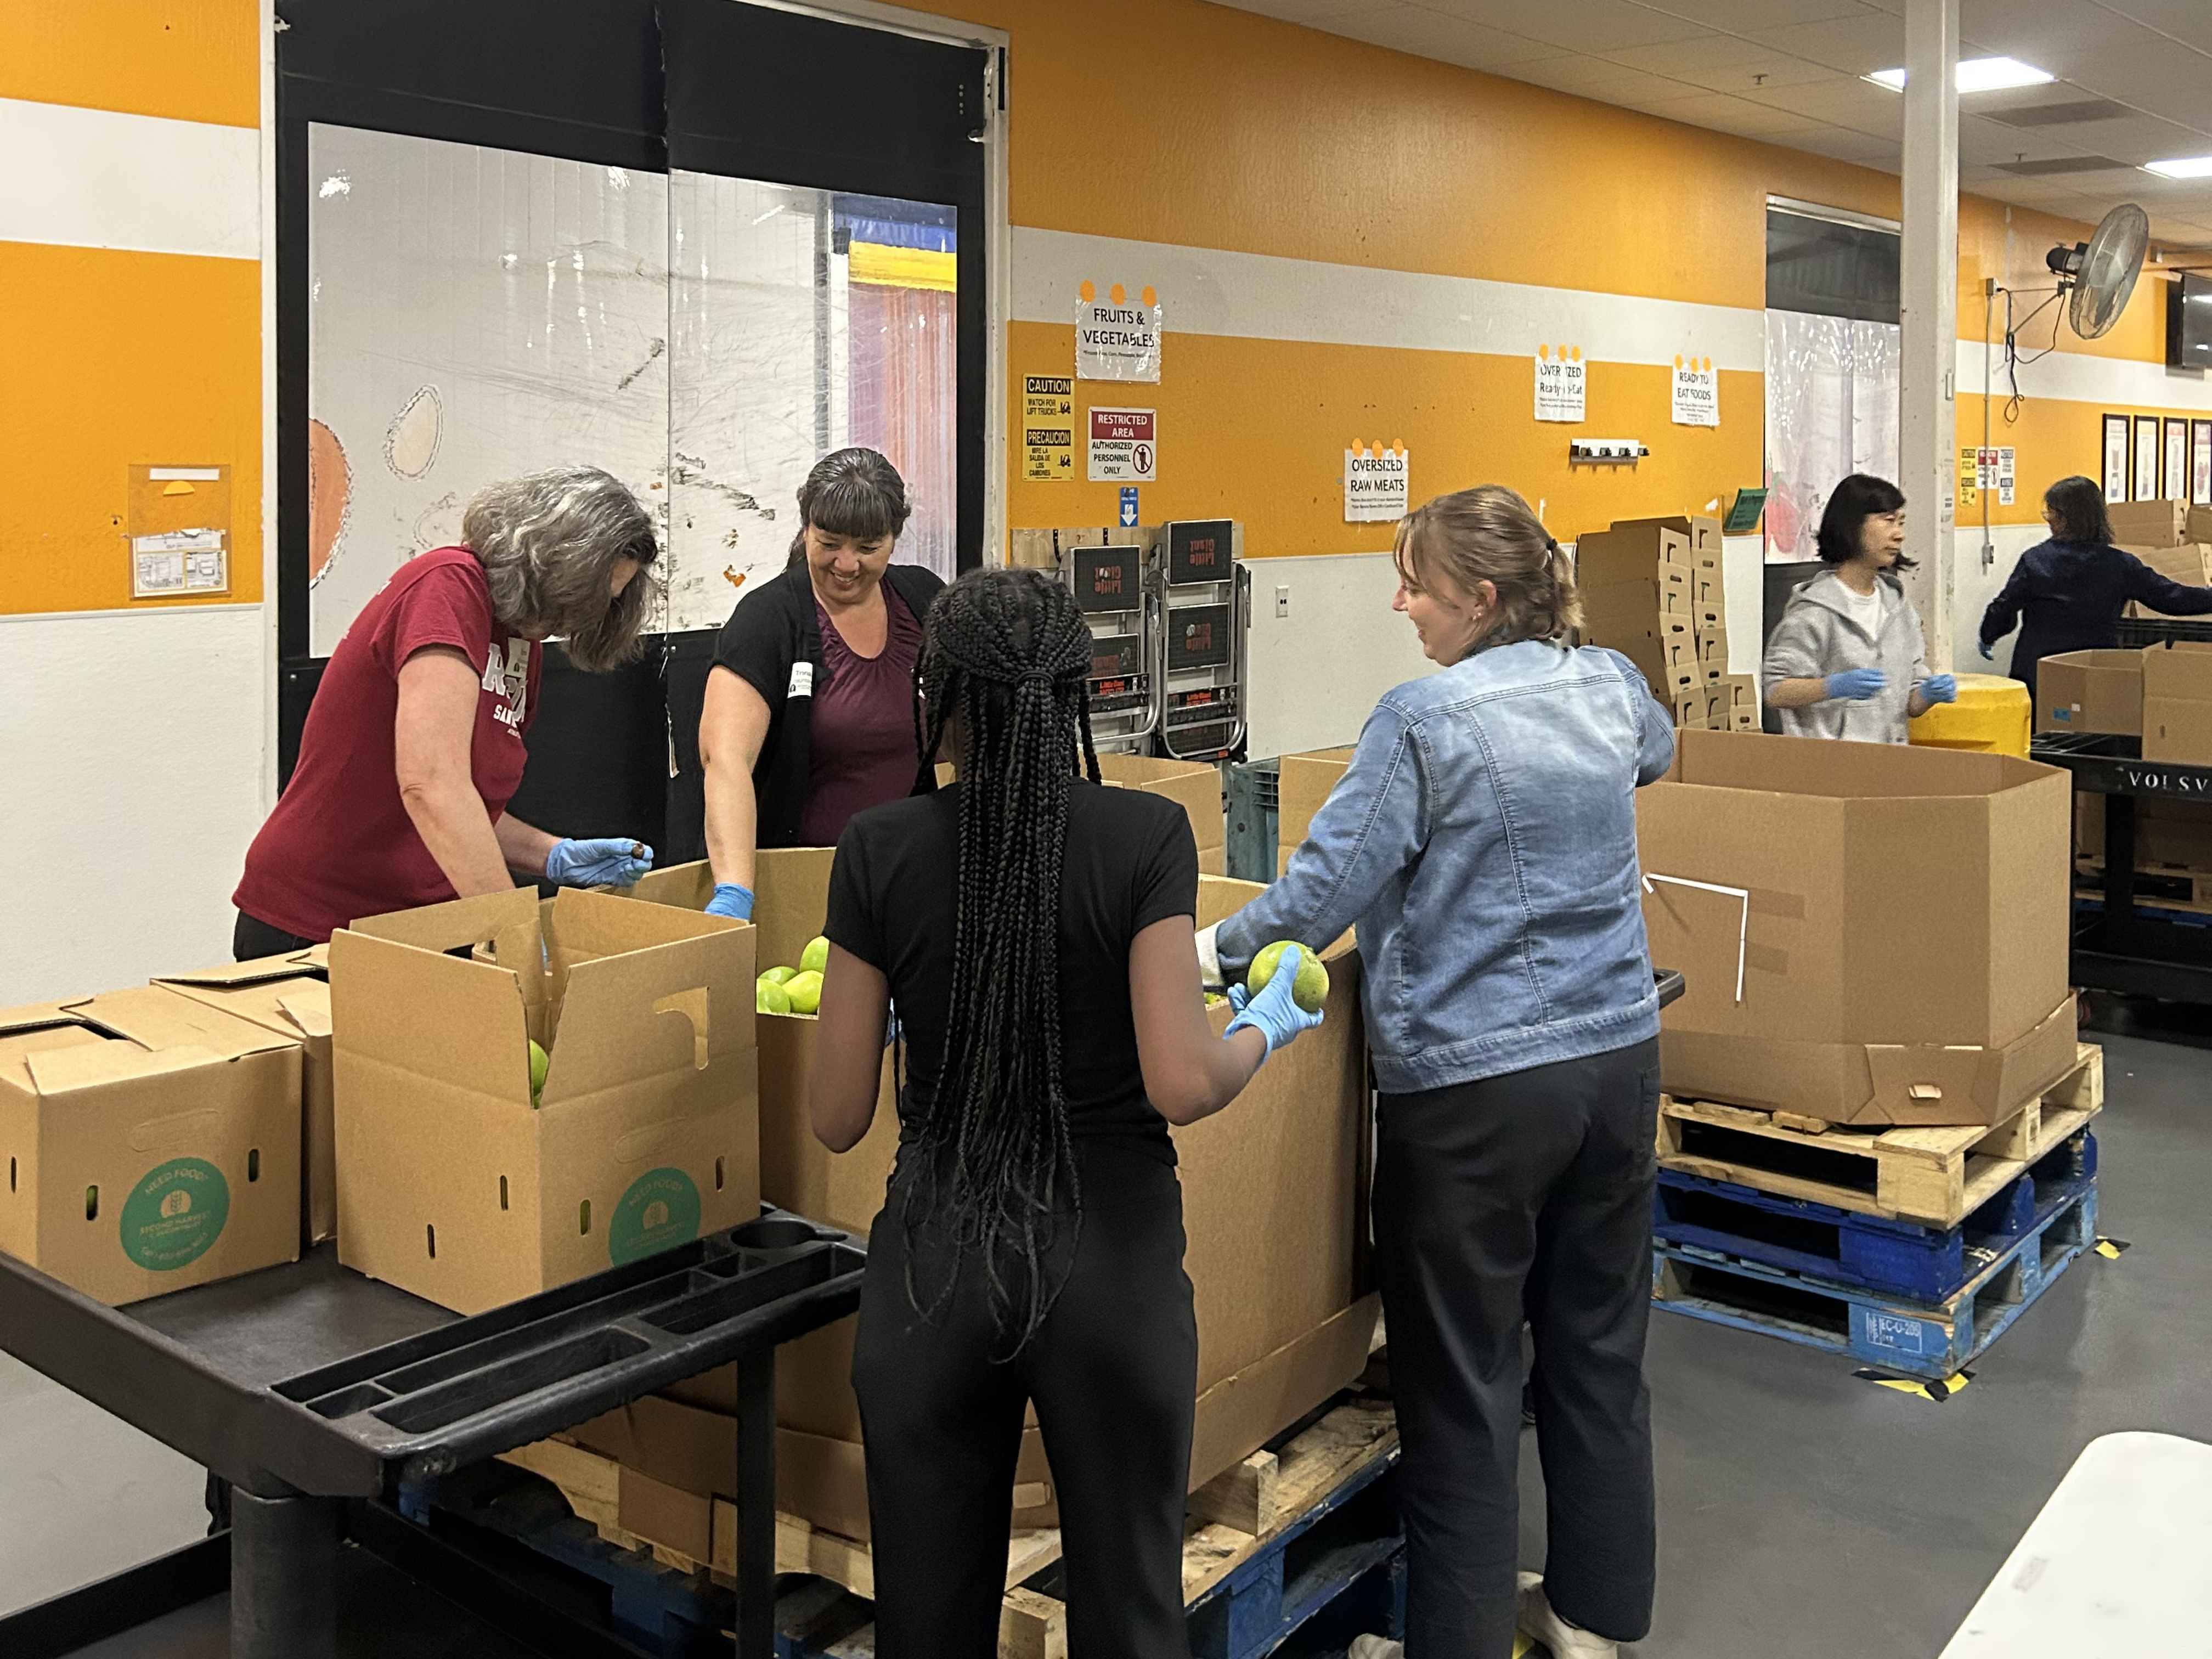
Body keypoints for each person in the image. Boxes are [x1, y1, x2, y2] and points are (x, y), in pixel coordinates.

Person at [807, 568, 1323, 1658]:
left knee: (926, 1624)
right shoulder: (1145, 838)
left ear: (935, 699)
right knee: (1130, 1615)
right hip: (1110, 1271)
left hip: (933, 1276)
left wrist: (909, 1004)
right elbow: (1180, 1081)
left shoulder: (877, 849)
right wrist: (1260, 1031)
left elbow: (837, 1115)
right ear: (1073, 698)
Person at [1194, 486, 1674, 1659]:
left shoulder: (1423, 719)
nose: (1401, 604)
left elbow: (1326, 891)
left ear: (1482, 597)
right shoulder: (1606, 681)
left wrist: (1203, 951)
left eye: (1417, 583)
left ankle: (1452, 1643)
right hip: (1616, 1060)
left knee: (1458, 1381)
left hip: (1475, 1091)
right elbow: (1655, 753)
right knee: (1598, 1351)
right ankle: (1590, 1620)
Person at [232, 464, 659, 955]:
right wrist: (512, 929)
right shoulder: (446, 586)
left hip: (419, 923)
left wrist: (551, 855)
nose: (579, 619)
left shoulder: (519, 638)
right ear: (554, 561)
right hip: (319, 923)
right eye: (584, 596)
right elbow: (431, 785)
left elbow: (465, 808)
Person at [696, 448, 946, 922]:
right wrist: (733, 892)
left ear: (895, 539)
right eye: (829, 543)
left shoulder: (924, 601)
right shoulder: (768, 620)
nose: (846, 564)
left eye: (868, 548)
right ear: (806, 528)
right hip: (800, 886)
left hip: (912, 876)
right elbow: (725, 759)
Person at [1977, 473, 2212, 698]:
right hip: (2095, 669)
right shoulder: (2119, 564)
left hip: (2038, 670)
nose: (2048, 520)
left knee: (2039, 734)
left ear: (2065, 519)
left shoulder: (2035, 560)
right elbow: (2171, 598)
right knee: (2092, 734)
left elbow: (2005, 606)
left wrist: (1990, 634)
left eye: (2052, 513)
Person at [1762, 473, 1958, 743]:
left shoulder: (1899, 608)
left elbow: (1910, 705)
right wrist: (1832, 687)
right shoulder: (1815, 611)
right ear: (1853, 526)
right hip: (1829, 767)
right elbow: (1776, 690)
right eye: (1888, 521)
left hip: (1887, 763)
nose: (1899, 535)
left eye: (1901, 522)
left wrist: (1927, 694)